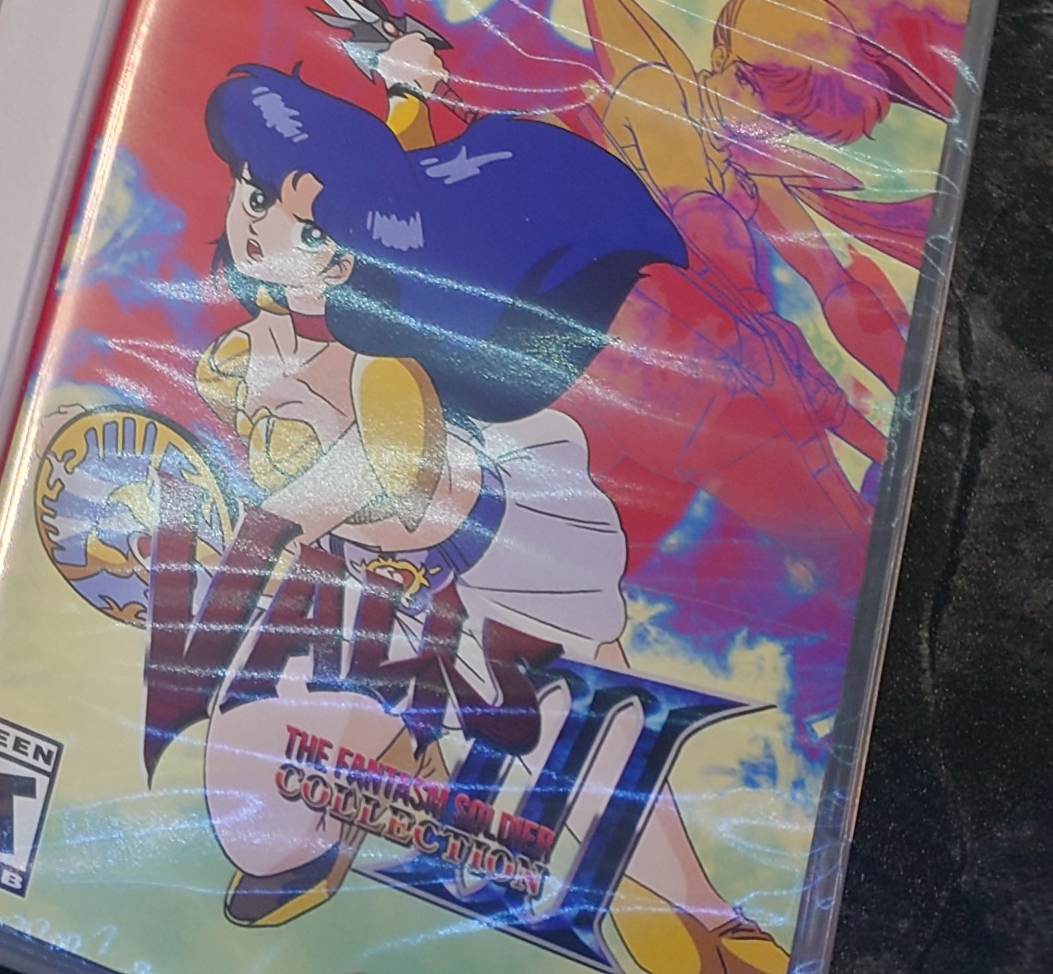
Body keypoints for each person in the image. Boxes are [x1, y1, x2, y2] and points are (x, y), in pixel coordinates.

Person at [180, 63, 779, 971]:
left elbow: (403, 483)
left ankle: (703, 922)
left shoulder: (383, 358)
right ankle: (379, 803)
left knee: (584, 727)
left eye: (294, 218)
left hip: (499, 534)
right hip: (390, 585)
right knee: (276, 782)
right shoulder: (271, 334)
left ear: (342, 255)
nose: (253, 220)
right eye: (252, 193)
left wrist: (278, 517)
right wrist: (405, 94)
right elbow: (383, 187)